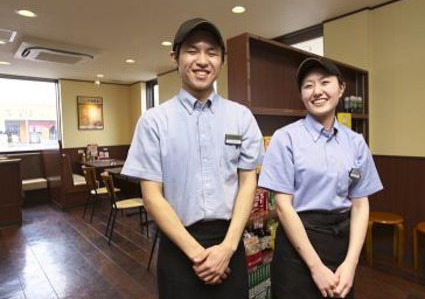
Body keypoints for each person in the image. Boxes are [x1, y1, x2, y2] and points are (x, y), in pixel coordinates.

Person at [122, 18, 264, 298]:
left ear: (222, 61)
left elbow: (248, 182)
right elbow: (151, 196)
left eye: (211, 52)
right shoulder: (154, 121)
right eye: (192, 50)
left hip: (230, 241)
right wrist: (199, 255)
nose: (202, 60)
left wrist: (227, 249)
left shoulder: (241, 117)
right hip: (179, 247)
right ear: (175, 57)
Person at [258, 57, 383, 299]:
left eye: (325, 82)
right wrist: (316, 268)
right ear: (302, 94)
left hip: (340, 246)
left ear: (341, 88)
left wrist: (351, 264)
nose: (317, 91)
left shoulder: (355, 143)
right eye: (308, 85)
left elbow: (360, 204)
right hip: (297, 249)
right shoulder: (286, 138)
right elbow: (283, 207)